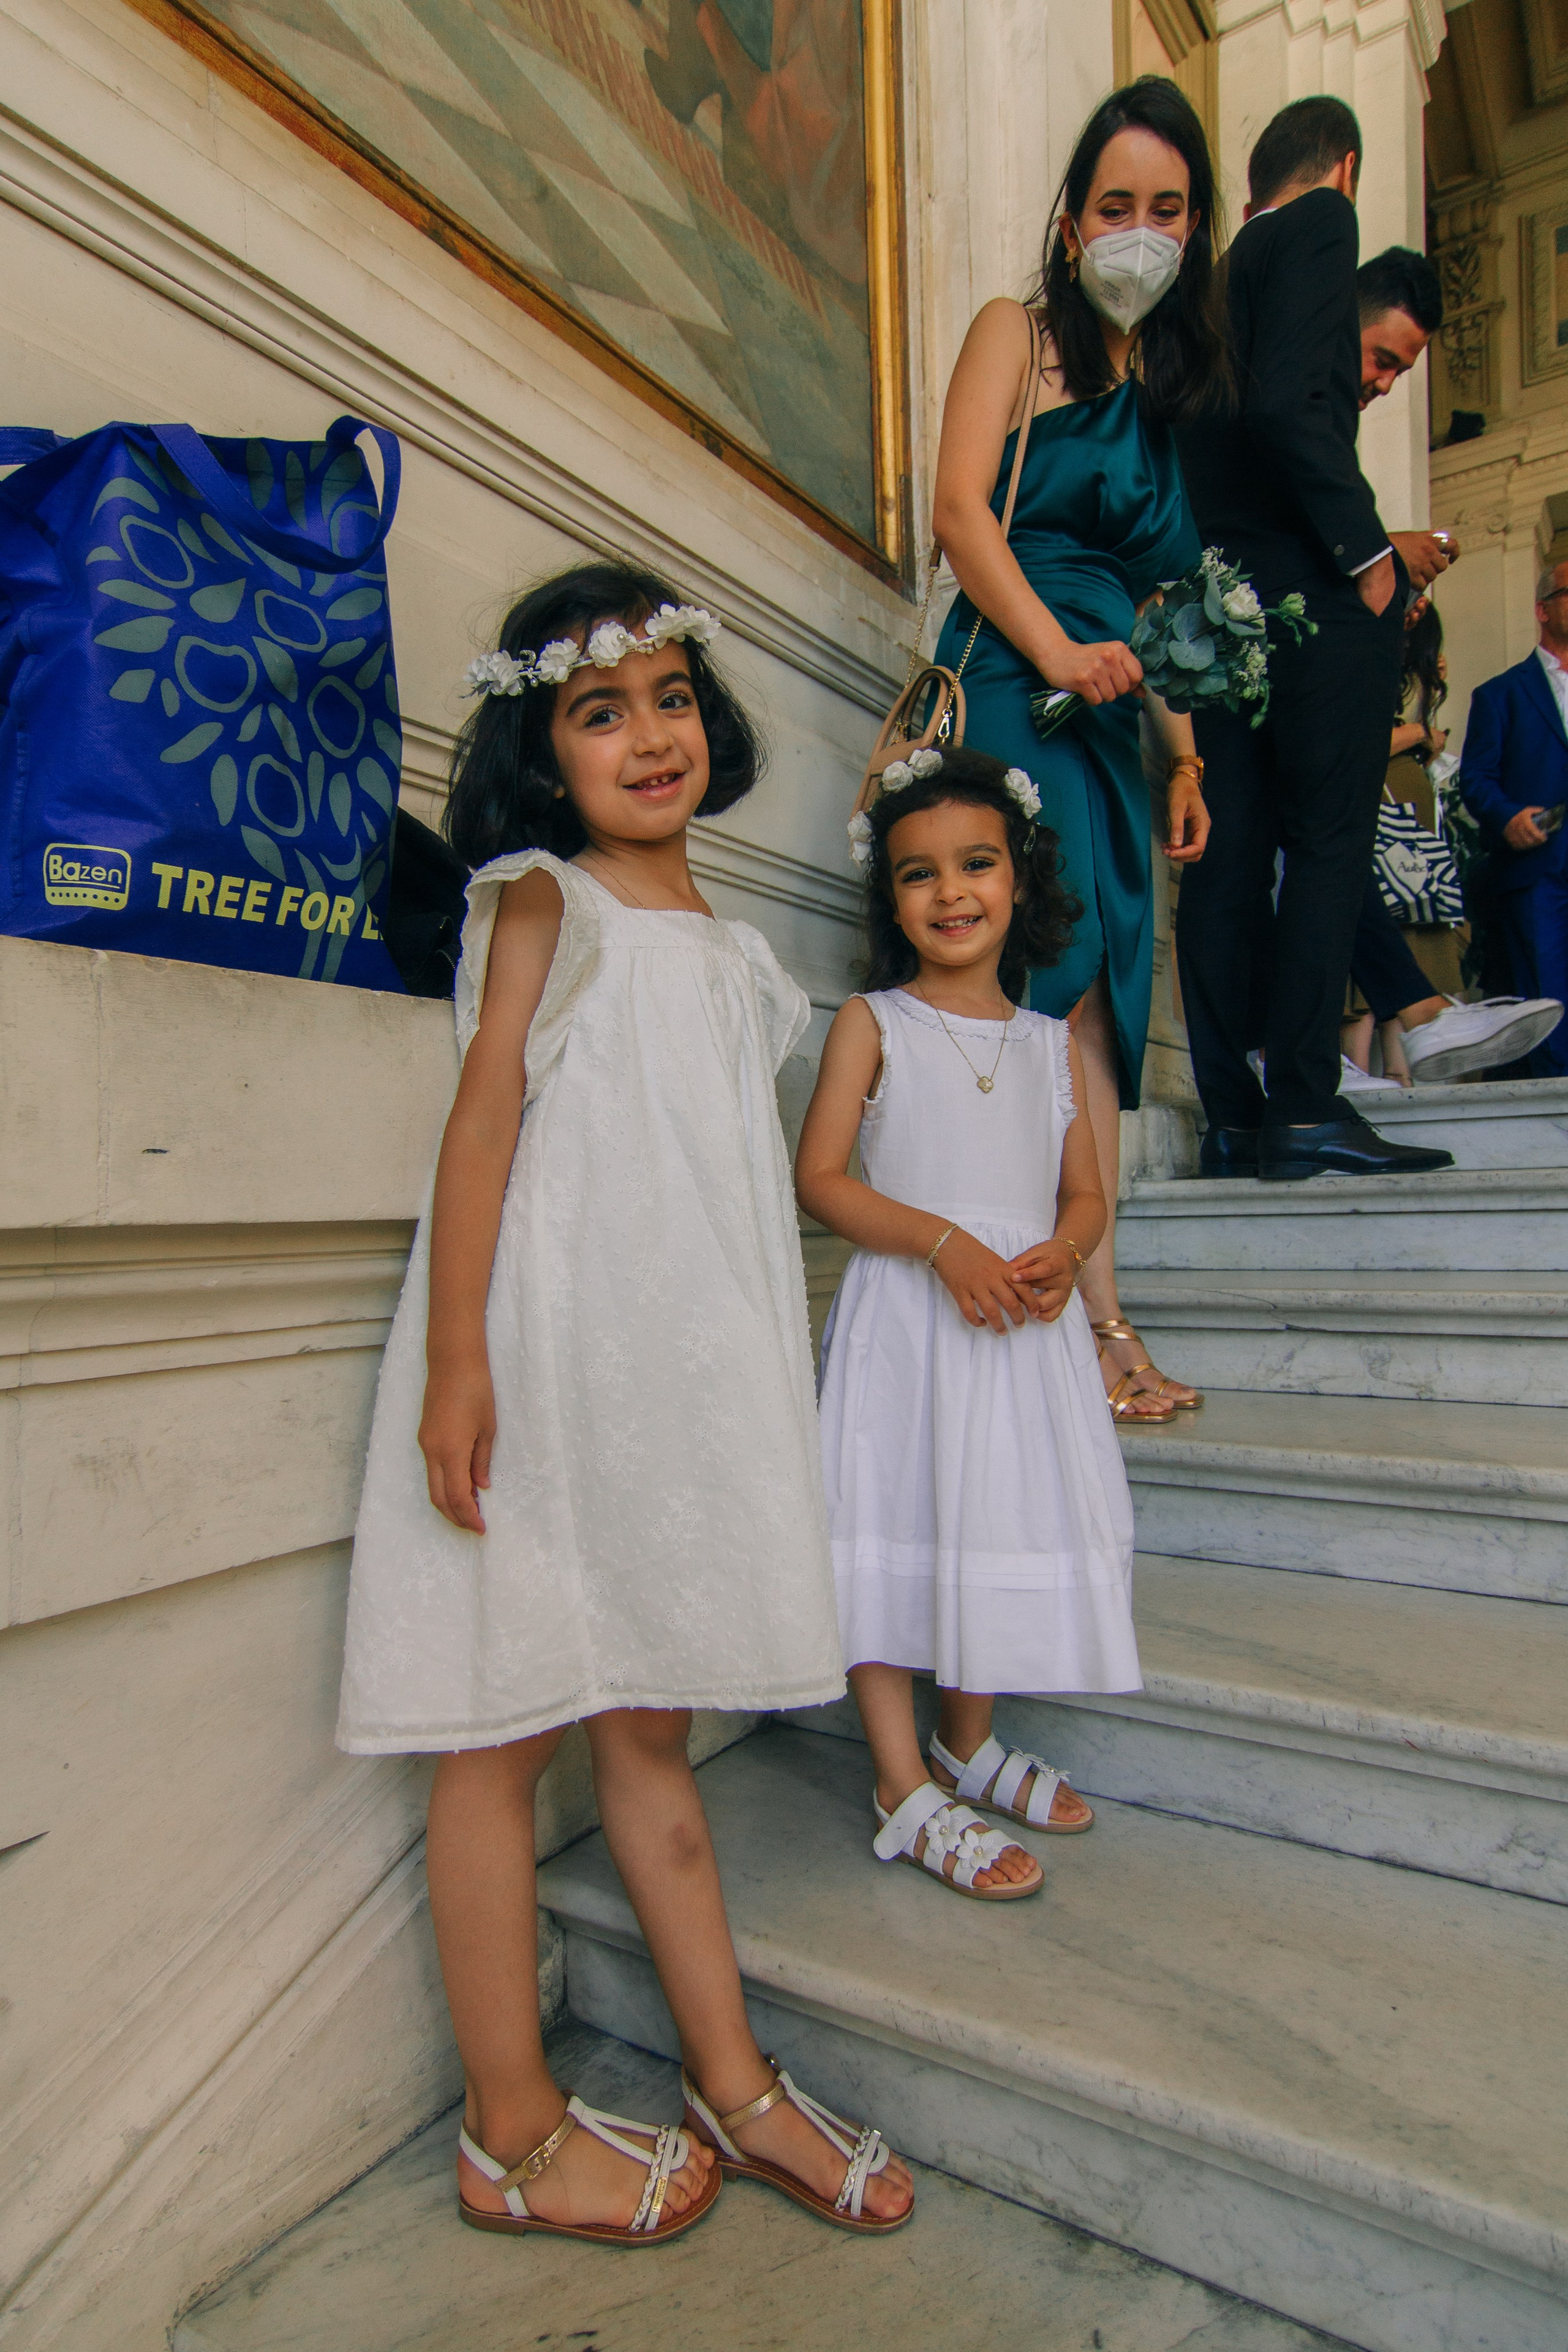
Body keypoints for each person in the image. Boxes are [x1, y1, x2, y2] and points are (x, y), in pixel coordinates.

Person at [336, 563, 914, 2242]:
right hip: (536, 1378)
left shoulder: (742, 962)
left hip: (671, 1391)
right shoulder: (543, 904)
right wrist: (458, 1362)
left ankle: (730, 2083)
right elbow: (486, 1128)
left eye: (669, 699)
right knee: (496, 1729)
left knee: (648, 1732)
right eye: (601, 712)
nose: (648, 736)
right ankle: (507, 2133)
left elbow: (730, 1194)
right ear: (545, 749)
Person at [930, 75, 1230, 1418]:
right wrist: (1052, 651)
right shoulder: (1015, 332)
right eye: (1115, 204)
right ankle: (1026, 1309)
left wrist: (1181, 754)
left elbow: (1164, 614)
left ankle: (1094, 1321)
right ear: (1069, 218)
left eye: (1165, 209)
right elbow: (956, 511)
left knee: (1099, 1007)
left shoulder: (1165, 393)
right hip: (1014, 680)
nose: (1138, 231)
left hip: (1114, 719)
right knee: (1022, 992)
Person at [797, 747, 1140, 1902]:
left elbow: (1085, 1189)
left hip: (1017, 1331)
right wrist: (944, 1243)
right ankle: (901, 1778)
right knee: (894, 1527)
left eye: (977, 864)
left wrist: (1069, 1249)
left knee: (992, 1519)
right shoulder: (872, 1021)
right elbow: (823, 1178)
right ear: (890, 898)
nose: (951, 893)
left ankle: (969, 1742)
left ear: (1019, 878)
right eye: (919, 874)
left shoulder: (1050, 1049)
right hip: (912, 1320)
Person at [1175, 107, 1458, 1178]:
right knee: (1330, 844)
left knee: (1232, 855)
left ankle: (1233, 1114)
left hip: (1226, 608)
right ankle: (1304, 1104)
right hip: (1310, 602)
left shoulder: (1212, 284)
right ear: (1345, 166)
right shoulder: (1320, 225)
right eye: (1385, 361)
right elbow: (1297, 411)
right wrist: (1369, 559)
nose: (1381, 379)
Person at [1344, 595, 1562, 1082]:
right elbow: (1359, 744)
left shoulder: (1405, 686)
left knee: (1411, 939)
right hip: (1386, 821)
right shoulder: (1370, 669)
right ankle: (1369, 1070)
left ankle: (1402, 1071)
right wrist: (1423, 733)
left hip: (1407, 825)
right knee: (1378, 929)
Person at [1457, 562, 1568, 1078]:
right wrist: (1506, 818)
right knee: (1547, 994)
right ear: (1543, 609)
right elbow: (1475, 778)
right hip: (1536, 867)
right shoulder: (1501, 694)